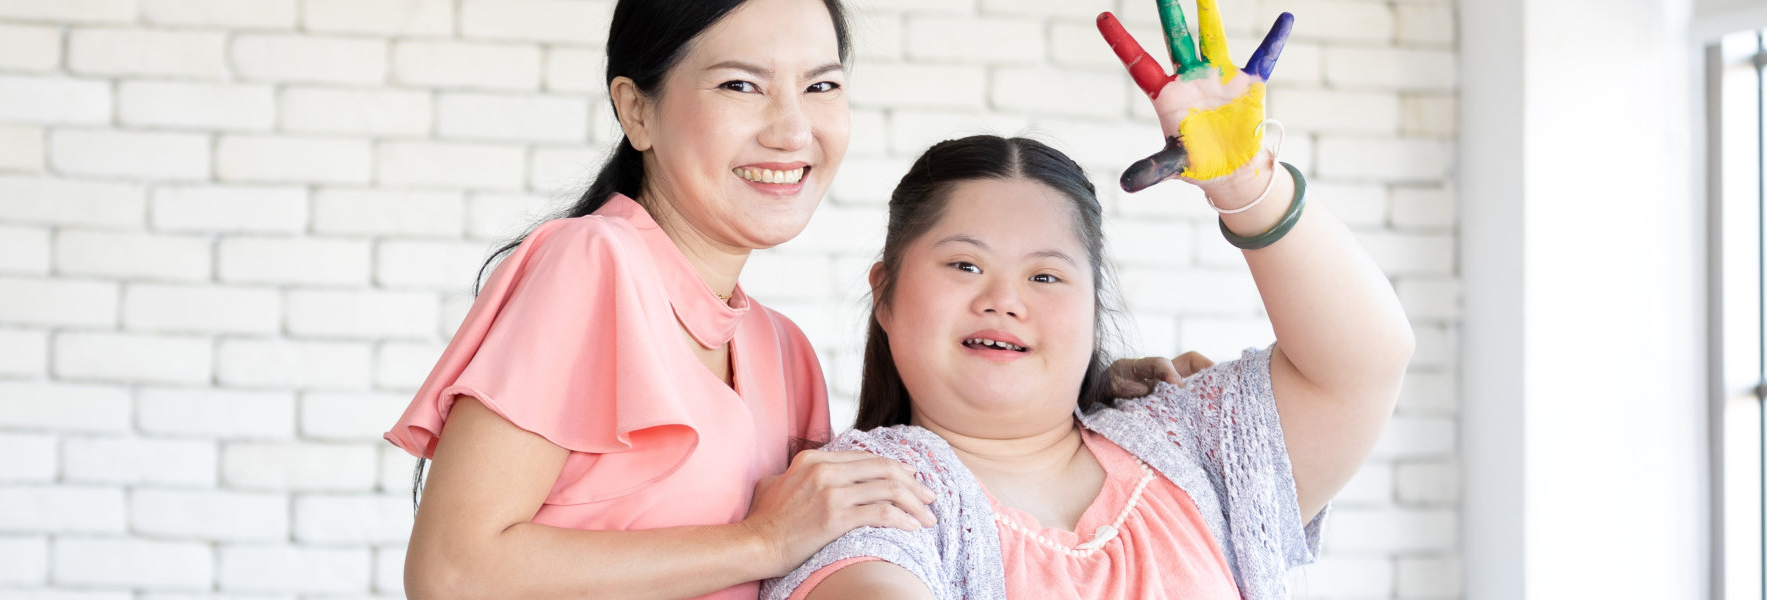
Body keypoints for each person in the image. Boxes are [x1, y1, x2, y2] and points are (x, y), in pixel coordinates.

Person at [381, 0, 1202, 597]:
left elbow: (841, 534)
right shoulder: (593, 265)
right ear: (638, 111)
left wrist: (1084, 382)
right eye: (741, 86)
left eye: (821, 86)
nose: (791, 129)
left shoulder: (784, 352)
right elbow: (453, 570)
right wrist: (757, 541)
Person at [761, 4, 1416, 599]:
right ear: (886, 294)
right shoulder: (863, 493)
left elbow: (1364, 364)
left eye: (1046, 277)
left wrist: (1250, 185)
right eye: (965, 264)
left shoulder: (1189, 441)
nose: (1003, 300)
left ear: (1091, 306)